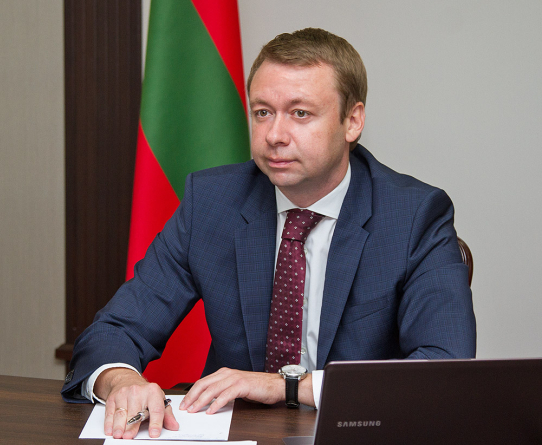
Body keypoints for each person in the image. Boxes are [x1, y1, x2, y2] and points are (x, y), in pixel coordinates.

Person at [61, 28, 476, 439]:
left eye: (300, 113)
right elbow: (115, 330)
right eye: (262, 112)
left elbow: (444, 367)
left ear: (352, 121)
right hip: (234, 433)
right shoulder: (212, 203)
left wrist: (288, 387)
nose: (275, 136)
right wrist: (122, 382)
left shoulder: (413, 216)